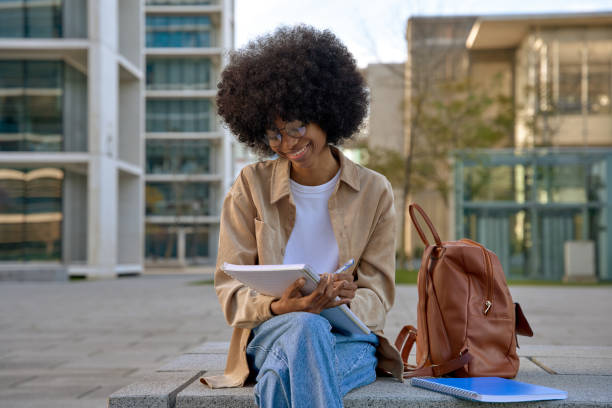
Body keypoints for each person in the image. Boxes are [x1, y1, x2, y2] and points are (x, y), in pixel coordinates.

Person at [200, 25, 403, 407]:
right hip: (275, 332)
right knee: (305, 326)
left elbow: (379, 294)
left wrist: (340, 299)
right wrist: (283, 306)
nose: (288, 143)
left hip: (348, 340)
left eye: (297, 126)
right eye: (274, 134)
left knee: (282, 375)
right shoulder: (250, 186)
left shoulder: (375, 190)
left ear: (327, 114)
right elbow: (230, 290)